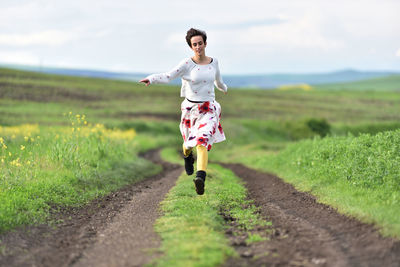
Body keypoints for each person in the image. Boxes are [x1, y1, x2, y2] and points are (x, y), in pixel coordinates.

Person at [140, 28, 227, 195]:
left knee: (202, 141)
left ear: (205, 44)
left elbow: (218, 80)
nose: (198, 47)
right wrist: (151, 78)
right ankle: (187, 155)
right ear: (190, 47)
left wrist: (224, 88)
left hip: (208, 108)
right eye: (194, 44)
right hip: (191, 110)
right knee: (188, 144)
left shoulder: (214, 62)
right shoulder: (187, 64)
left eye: (200, 43)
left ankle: (200, 177)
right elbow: (168, 76)